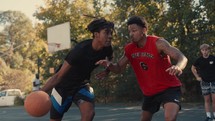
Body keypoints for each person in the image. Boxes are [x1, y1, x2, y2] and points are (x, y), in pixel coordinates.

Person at [96, 15, 188, 121]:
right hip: (150, 92)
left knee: (169, 118)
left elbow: (182, 58)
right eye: (129, 31)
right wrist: (109, 65)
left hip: (169, 88)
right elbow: (118, 68)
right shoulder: (129, 49)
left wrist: (178, 66)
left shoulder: (158, 43)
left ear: (144, 30)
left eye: (134, 31)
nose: (131, 34)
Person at [41, 18, 114, 121]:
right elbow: (58, 76)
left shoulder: (107, 48)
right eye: (106, 33)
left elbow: (110, 59)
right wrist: (40, 92)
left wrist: (107, 70)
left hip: (81, 85)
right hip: (63, 86)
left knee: (89, 113)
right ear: (96, 34)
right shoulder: (79, 51)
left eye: (111, 33)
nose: (110, 36)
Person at [191, 44, 215, 121]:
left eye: (206, 50)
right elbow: (193, 68)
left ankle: (214, 116)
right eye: (203, 50)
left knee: (214, 100)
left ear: (209, 50)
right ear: (201, 51)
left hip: (214, 81)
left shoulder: (213, 58)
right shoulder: (199, 60)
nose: (205, 52)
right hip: (204, 82)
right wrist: (197, 77)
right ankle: (208, 116)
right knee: (207, 100)